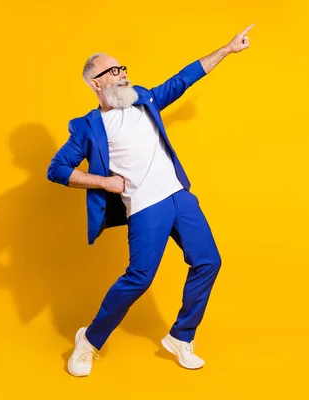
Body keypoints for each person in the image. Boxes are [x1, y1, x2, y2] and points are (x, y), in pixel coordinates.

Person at [47, 24, 254, 376]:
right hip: (145, 206)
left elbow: (183, 79)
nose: (122, 74)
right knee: (139, 279)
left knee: (209, 261)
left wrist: (227, 49)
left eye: (122, 68)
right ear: (95, 83)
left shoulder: (143, 98)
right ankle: (90, 341)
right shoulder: (87, 126)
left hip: (178, 195)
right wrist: (105, 182)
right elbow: (57, 169)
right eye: (113, 71)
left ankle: (181, 336)